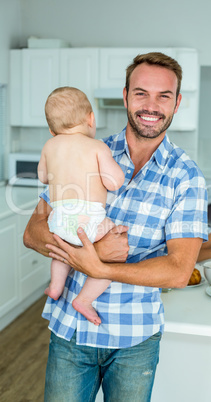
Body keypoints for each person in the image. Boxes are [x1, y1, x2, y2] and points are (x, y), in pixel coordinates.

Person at [24, 52, 208, 402]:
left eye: (163, 96)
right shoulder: (86, 149)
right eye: (141, 93)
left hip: (135, 339)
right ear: (125, 96)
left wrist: (97, 266)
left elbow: (179, 271)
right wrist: (90, 256)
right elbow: (32, 231)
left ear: (177, 102)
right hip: (70, 334)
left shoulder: (186, 177)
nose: (151, 105)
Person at [38, 86, 125, 325]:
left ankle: (55, 287)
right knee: (111, 259)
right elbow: (114, 182)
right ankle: (84, 300)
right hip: (88, 221)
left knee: (62, 254)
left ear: (51, 129)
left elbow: (43, 177)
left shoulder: (49, 146)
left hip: (58, 220)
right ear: (90, 119)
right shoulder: (97, 147)